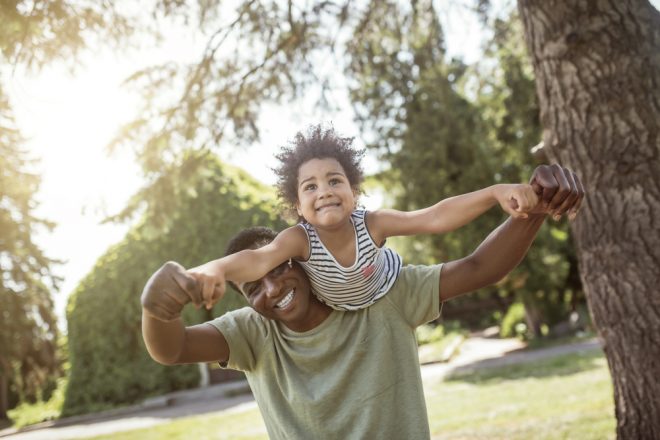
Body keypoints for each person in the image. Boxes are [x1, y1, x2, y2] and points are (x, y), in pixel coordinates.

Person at [141, 164, 584, 439]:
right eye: (253, 287)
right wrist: (158, 309)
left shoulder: (383, 292)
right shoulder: (252, 333)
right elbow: (172, 348)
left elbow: (479, 267)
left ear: (304, 259)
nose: (271, 288)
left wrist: (534, 210)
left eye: (280, 271)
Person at [187, 125, 540, 312]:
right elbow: (257, 259)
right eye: (310, 187)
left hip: (387, 285)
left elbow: (433, 217)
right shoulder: (299, 239)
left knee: (474, 269)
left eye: (334, 181)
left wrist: (495, 192)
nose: (324, 191)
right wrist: (215, 269)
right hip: (338, 306)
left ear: (353, 191)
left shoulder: (373, 223)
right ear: (297, 205)